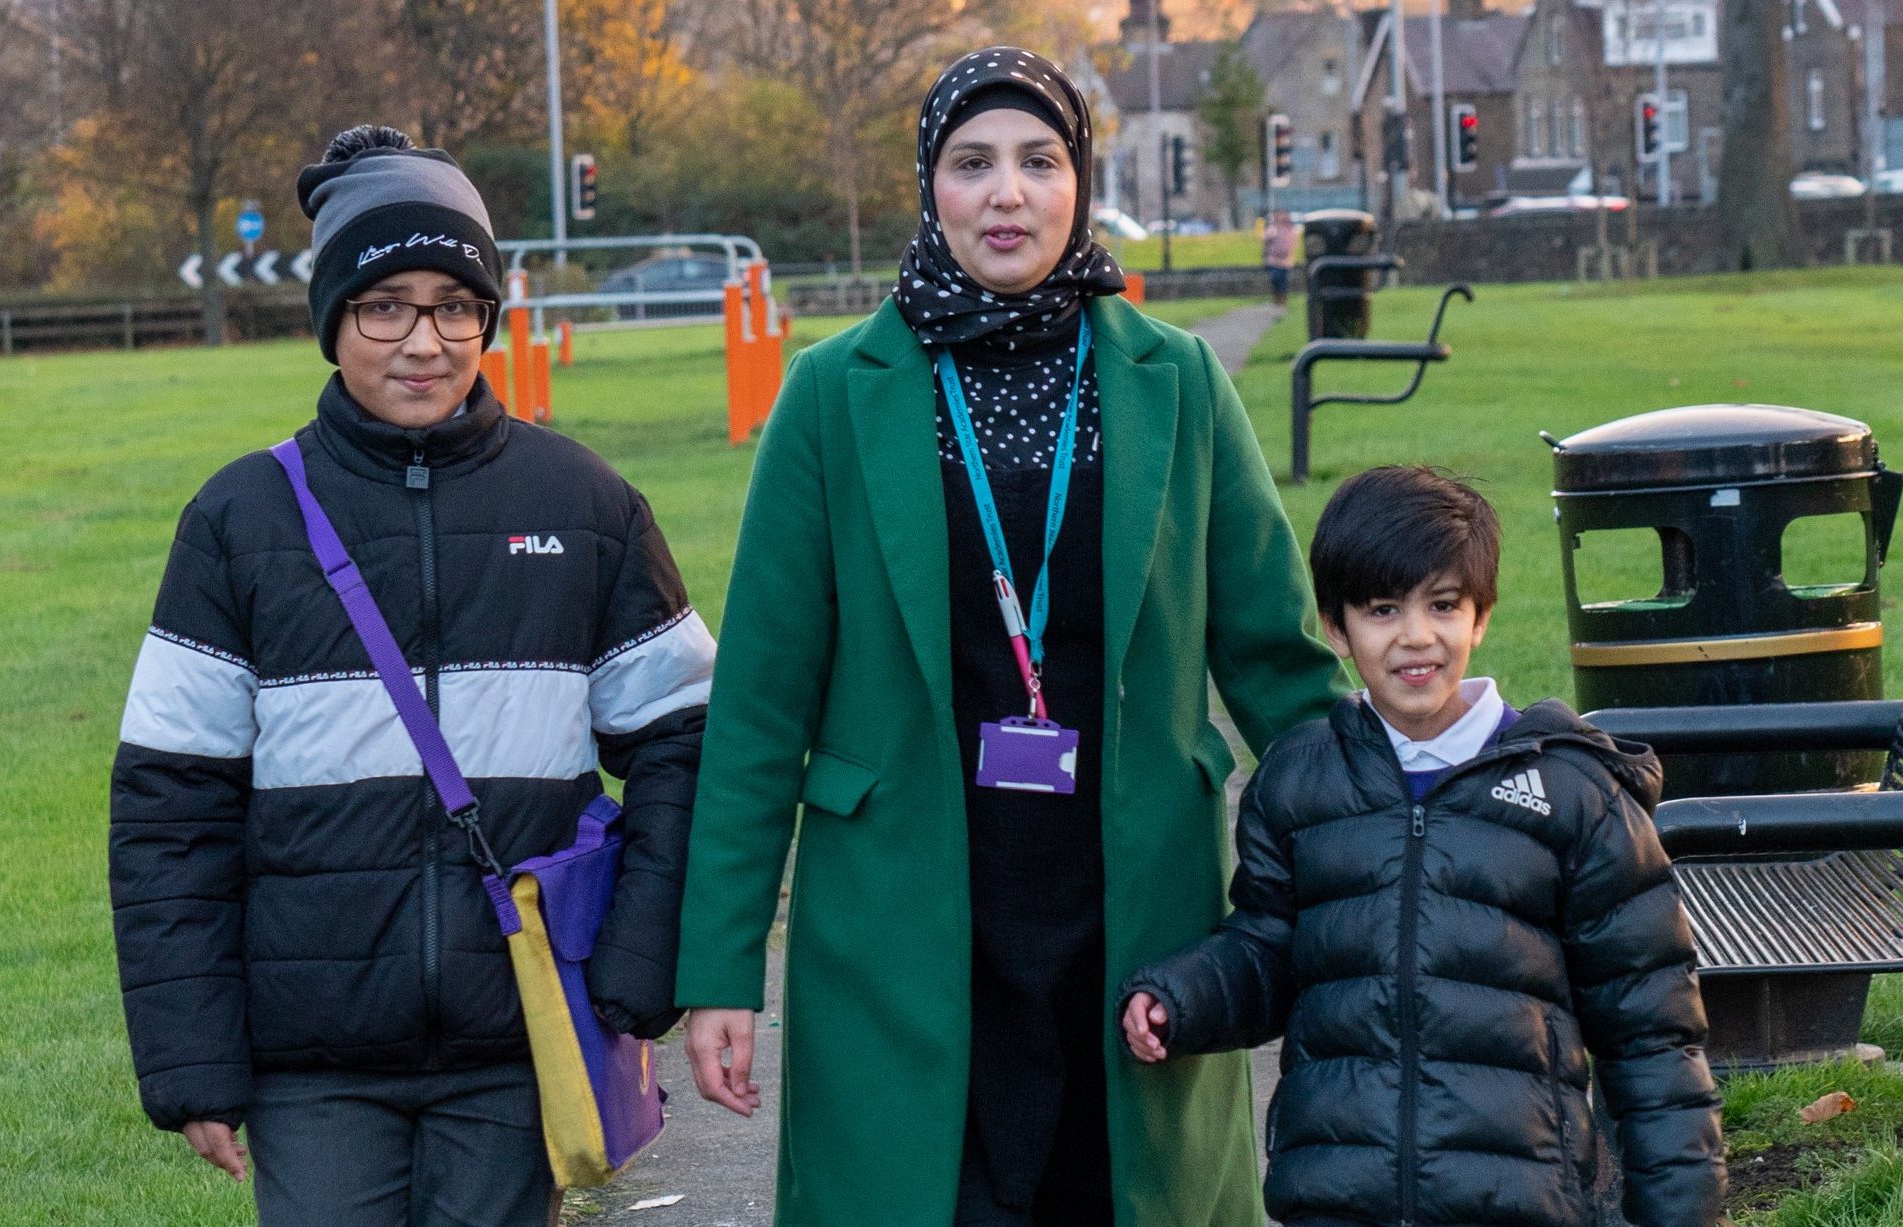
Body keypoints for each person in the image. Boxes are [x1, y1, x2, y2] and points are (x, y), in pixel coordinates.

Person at [673, 47, 1347, 1227]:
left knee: (1121, 1191)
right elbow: (760, 708)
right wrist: (722, 970)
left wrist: (1399, 853)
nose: (1008, 194)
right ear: (926, 187)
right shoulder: (835, 394)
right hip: (903, 913)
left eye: (1040, 162)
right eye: (971, 163)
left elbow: (1280, 663)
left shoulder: (1177, 383)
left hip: (1134, 897)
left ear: (1079, 180)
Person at [108, 124, 714, 1226]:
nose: (423, 340)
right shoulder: (237, 522)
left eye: (454, 303)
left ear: (489, 314)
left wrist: (637, 958)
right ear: (332, 320)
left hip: (518, 1038)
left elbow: (688, 741)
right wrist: (191, 1055)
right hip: (314, 1061)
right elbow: (169, 805)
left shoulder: (584, 507)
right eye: (385, 304)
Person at [1118, 466, 1726, 1227]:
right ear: (1335, 628)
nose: (1415, 635)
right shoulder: (1300, 778)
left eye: (1442, 605)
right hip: (1338, 1192)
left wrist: (1681, 1212)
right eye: (1381, 609)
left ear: (1479, 616)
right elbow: (1271, 948)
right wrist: (1184, 996)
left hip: (1516, 1198)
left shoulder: (1574, 792)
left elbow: (1652, 1033)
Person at [1262, 208, 1299, 308]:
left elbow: (1293, 243)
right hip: (1274, 259)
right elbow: (1265, 239)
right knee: (1275, 278)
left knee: (1283, 280)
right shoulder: (1273, 228)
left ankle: (1282, 300)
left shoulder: (1290, 229)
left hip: (1286, 260)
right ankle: (1277, 298)